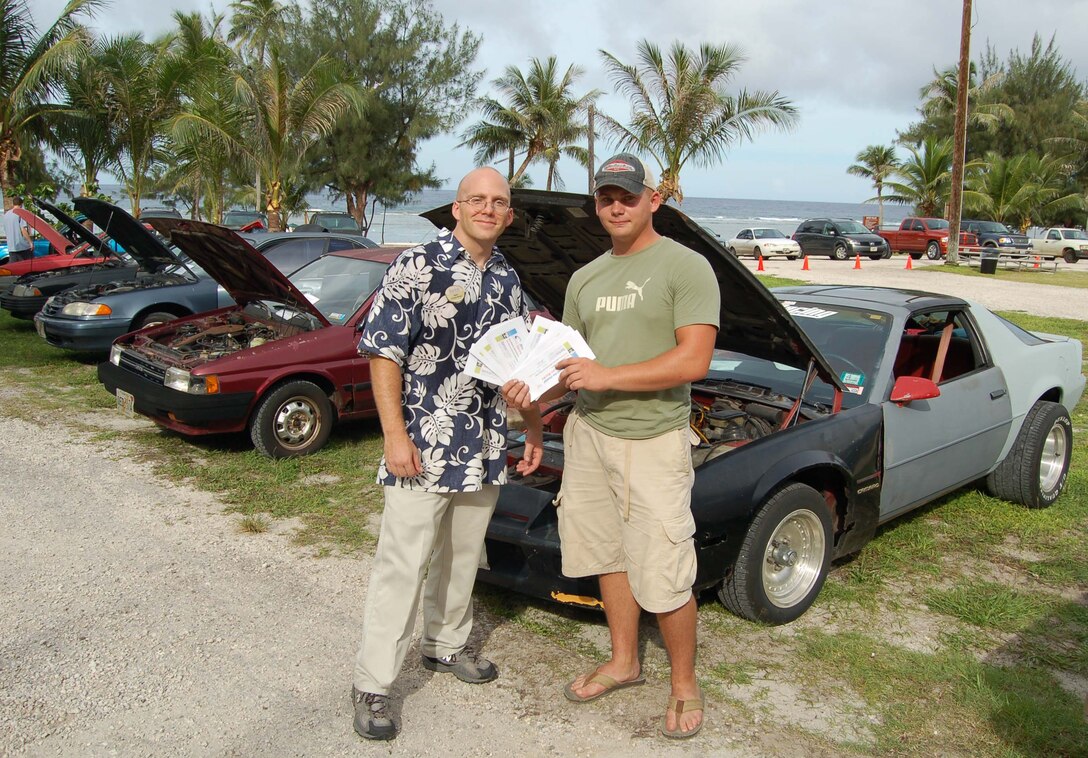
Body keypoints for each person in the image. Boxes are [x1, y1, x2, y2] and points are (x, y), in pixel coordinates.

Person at [504, 153, 720, 739]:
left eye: (627, 196)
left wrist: (607, 376)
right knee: (607, 554)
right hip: (590, 435)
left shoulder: (687, 266)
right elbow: (566, 364)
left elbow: (693, 359)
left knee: (667, 566)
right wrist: (530, 398)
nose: (617, 207)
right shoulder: (585, 278)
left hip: (652, 440)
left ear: (653, 199)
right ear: (596, 205)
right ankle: (625, 662)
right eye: (606, 198)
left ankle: (683, 684)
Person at [350, 167, 543, 741]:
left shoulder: (509, 278)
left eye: (498, 202)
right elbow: (383, 352)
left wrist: (530, 425)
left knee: (464, 556)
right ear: (455, 208)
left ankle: (445, 644)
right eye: (476, 200)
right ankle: (373, 683)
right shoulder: (417, 265)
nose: (487, 208)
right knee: (402, 564)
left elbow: (522, 364)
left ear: (508, 216)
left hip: (483, 443)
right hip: (422, 442)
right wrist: (393, 435)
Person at [4, 196, 34, 262]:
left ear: (13, 204)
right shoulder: (21, 213)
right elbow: (23, 229)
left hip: (11, 247)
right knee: (27, 267)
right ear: (21, 204)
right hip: (23, 247)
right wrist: (30, 242)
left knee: (14, 269)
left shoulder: (6, 215)